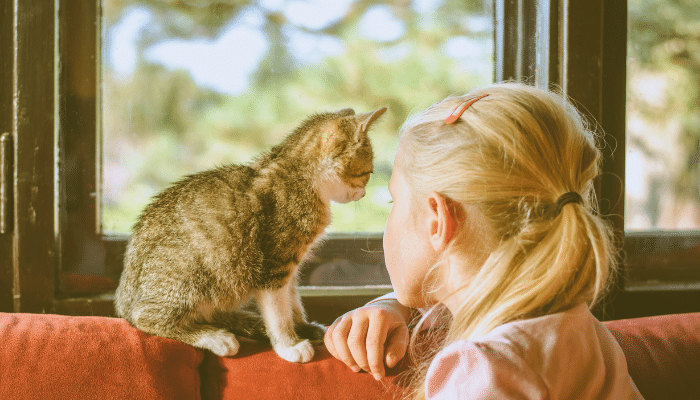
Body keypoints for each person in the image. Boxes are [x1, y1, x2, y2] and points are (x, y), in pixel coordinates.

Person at [324, 82, 643, 399]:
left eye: (395, 202)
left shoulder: (491, 368)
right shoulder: (579, 330)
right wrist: (394, 304)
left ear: (437, 219)